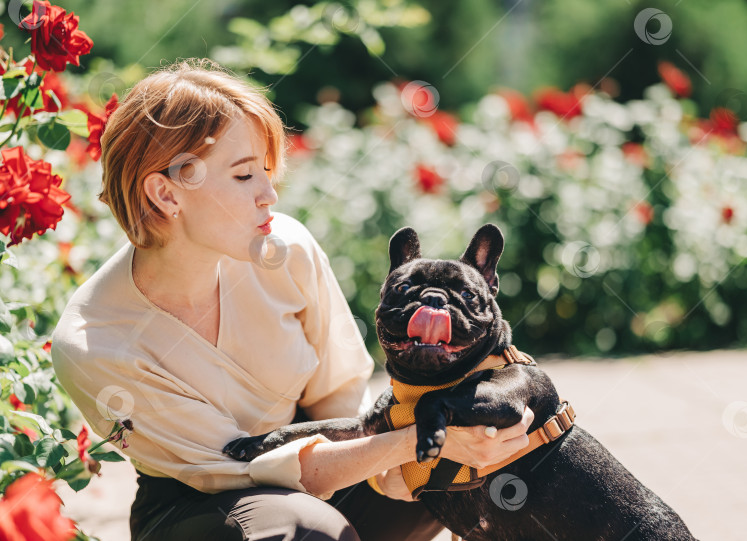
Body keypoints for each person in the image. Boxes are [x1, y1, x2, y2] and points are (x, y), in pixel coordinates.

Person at [50, 58, 534, 541]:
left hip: (332, 469)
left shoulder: (284, 250)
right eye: (243, 176)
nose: (269, 195)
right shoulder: (97, 341)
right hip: (201, 513)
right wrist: (419, 443)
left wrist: (400, 463)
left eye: (266, 171)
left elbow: (339, 399)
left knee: (482, 474)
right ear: (165, 195)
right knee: (307, 527)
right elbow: (238, 468)